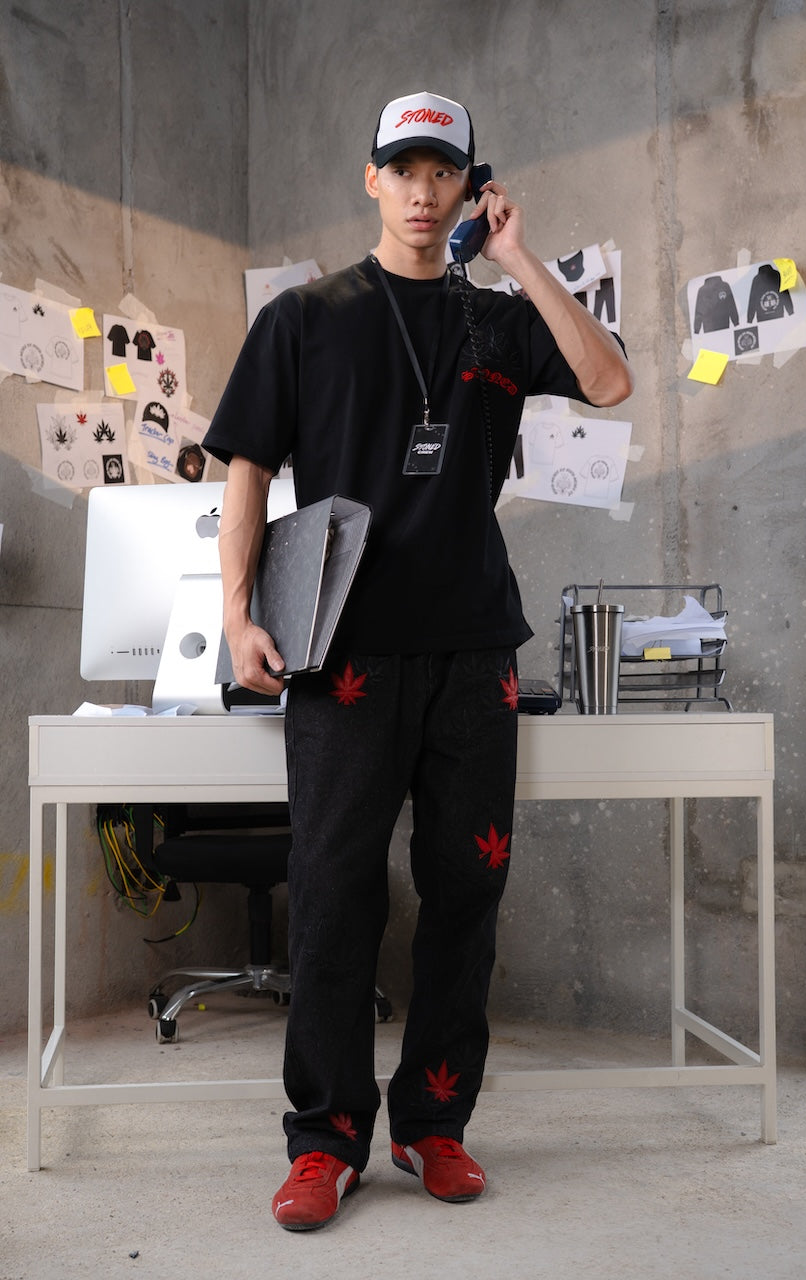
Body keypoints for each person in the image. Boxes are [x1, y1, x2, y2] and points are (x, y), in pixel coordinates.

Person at [202, 90, 633, 1232]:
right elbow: (247, 470)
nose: (424, 192)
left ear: (471, 188)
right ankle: (325, 1140)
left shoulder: (496, 321)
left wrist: (523, 258)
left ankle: (433, 1123)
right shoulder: (305, 319)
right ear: (372, 179)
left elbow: (608, 382)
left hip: (474, 652)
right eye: (404, 169)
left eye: (445, 171)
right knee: (333, 897)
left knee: (465, 893)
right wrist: (238, 614)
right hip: (340, 653)